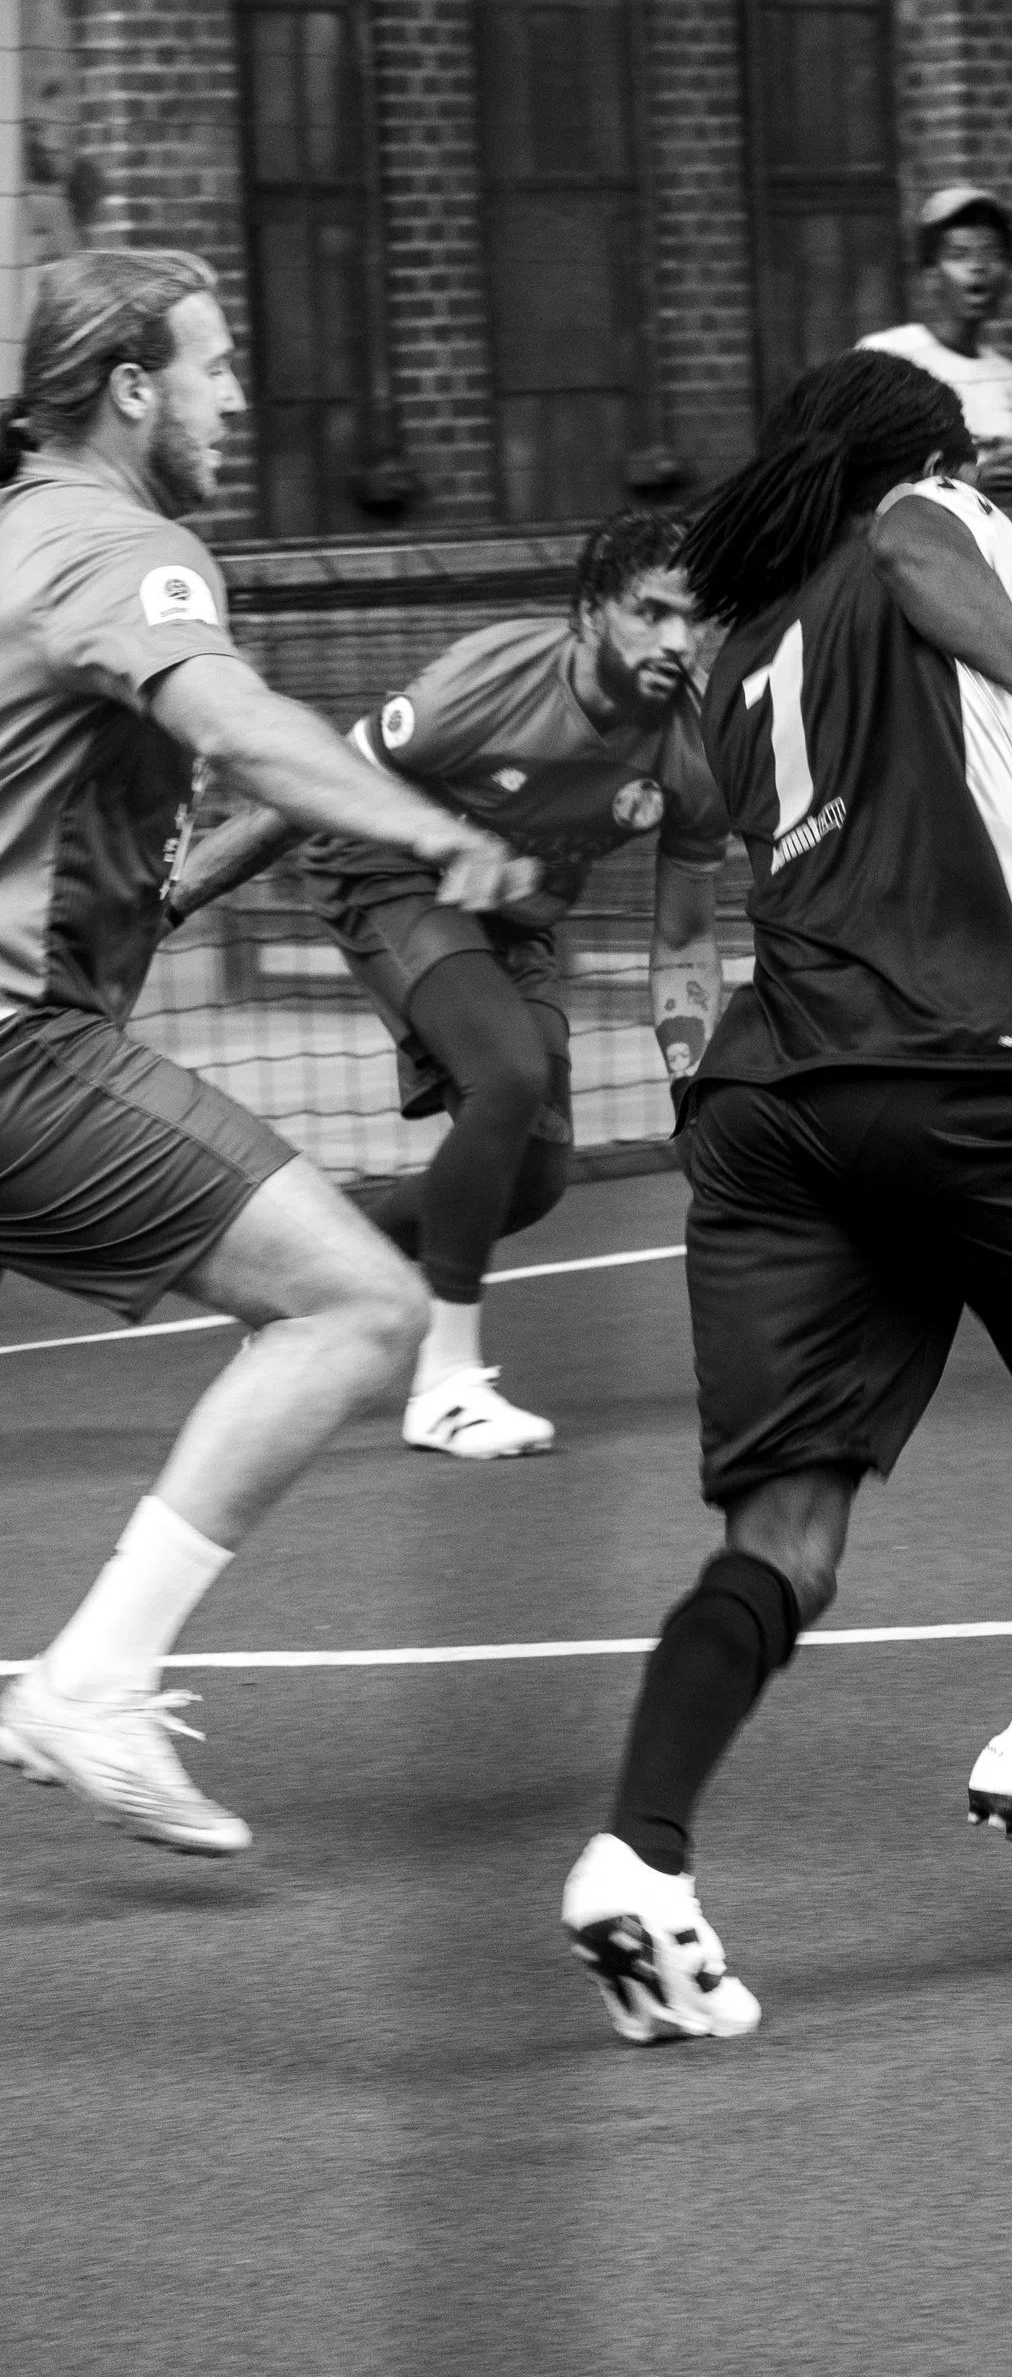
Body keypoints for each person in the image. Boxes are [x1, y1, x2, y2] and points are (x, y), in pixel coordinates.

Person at [560, 348, 1012, 2045]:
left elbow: (760, 827)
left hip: (766, 1106)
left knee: (785, 1543)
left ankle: (639, 1859)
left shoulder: (729, 657)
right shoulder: (924, 522)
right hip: (941, 1067)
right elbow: (919, 556)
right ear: (924, 458)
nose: (992, 488)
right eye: (977, 460)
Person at [0, 249, 531, 1857]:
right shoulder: (119, 541)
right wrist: (432, 828)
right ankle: (91, 1678)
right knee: (359, 1301)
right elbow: (238, 723)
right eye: (218, 368)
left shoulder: (19, 530)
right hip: (19, 1049)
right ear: (131, 388)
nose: (242, 397)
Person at [165, 511, 728, 1462]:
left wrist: (695, 1092)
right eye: (652, 612)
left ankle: (302, 1292)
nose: (678, 640)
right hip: (384, 863)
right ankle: (448, 1387)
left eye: (696, 618)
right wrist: (174, 901)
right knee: (504, 1076)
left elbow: (684, 941)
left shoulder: (694, 754)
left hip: (514, 912)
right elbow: (311, 784)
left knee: (537, 1177)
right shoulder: (490, 679)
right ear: (592, 613)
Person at [857, 180, 1012, 491]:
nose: (978, 266)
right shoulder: (887, 357)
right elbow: (861, 472)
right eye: (959, 254)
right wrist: (965, 481)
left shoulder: (1007, 377)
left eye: (992, 252)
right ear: (931, 273)